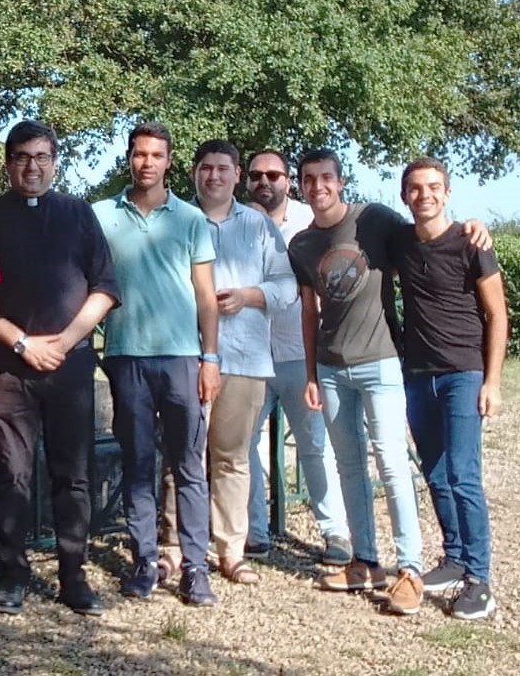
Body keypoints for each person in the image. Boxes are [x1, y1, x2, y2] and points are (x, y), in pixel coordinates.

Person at [289, 148, 486, 616]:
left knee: (394, 464)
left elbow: (428, 237)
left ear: (340, 182)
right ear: (301, 186)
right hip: (333, 370)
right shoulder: (299, 245)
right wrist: (313, 373)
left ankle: (411, 569)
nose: (319, 187)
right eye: (310, 180)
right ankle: (366, 561)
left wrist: (472, 228)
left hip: (381, 362)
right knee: (350, 466)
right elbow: (308, 312)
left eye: (326, 179)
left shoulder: (373, 220)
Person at [0, 121, 119, 617]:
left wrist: (63, 342)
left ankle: (73, 575)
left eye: (40, 157)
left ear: (55, 161)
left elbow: (104, 288)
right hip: (11, 368)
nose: (31, 167)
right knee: (13, 474)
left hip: (71, 366)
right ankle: (12, 572)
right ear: (8, 162)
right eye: (21, 157)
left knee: (73, 475)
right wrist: (21, 342)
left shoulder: (79, 214)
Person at [92, 122, 220, 608]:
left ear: (169, 161)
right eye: (139, 154)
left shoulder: (189, 220)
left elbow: (206, 297)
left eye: (156, 155)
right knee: (138, 465)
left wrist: (211, 358)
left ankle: (195, 568)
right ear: (129, 158)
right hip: (127, 358)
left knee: (189, 466)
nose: (147, 162)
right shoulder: (101, 215)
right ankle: (144, 560)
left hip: (183, 359)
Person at [393, 157, 507, 621]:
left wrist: (492, 380)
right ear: (405, 196)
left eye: (434, 187)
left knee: (463, 474)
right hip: (419, 376)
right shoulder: (400, 241)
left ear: (448, 192)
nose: (425, 195)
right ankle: (455, 557)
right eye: (416, 188)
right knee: (436, 473)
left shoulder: (471, 241)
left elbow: (498, 315)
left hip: (463, 373)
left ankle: (480, 579)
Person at [185, 140, 296, 585]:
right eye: (206, 168)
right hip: (186, 354)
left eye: (223, 169)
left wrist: (249, 296)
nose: (214, 176)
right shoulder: (179, 219)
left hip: (246, 357)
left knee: (232, 459)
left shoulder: (260, 226)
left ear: (236, 176)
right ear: (194, 173)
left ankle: (231, 550)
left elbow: (287, 288)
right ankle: (179, 548)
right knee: (185, 456)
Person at [243, 150, 352, 567]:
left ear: (289, 180)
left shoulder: (313, 223)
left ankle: (335, 532)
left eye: (274, 174)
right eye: (256, 175)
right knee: (243, 447)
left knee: (315, 447)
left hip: (299, 354)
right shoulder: (234, 223)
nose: (264, 181)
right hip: (249, 355)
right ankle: (254, 531)